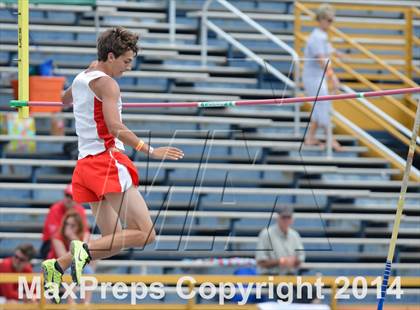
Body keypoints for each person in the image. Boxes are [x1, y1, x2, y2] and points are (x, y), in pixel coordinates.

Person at [41, 26, 184, 304]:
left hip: (86, 166)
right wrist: (150, 149)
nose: (128, 68)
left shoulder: (85, 73)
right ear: (110, 56)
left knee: (112, 241)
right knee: (146, 234)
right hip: (106, 162)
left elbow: (63, 99)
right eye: (126, 61)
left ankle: (56, 266)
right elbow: (115, 127)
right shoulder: (108, 84)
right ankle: (82, 251)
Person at [303, 3, 343, 151]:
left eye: (332, 20)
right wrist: (333, 78)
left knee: (321, 107)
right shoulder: (317, 37)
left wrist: (336, 52)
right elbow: (322, 61)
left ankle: (311, 137)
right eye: (328, 20)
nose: (330, 23)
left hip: (318, 77)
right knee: (323, 106)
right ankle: (329, 140)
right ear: (320, 19)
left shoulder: (322, 36)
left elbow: (327, 51)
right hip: (313, 78)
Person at [255, 205, 309, 303]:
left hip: (289, 276)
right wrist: (281, 261)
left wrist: (293, 261)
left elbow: (300, 258)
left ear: (292, 219)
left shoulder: (294, 235)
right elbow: (260, 262)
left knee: (311, 290)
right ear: (278, 218)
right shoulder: (266, 234)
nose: (286, 220)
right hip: (269, 276)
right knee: (285, 290)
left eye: (288, 217)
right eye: (283, 217)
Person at [48, 211, 93, 304]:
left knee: (88, 271)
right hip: (59, 266)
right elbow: (65, 259)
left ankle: (85, 303)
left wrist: (73, 237)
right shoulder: (57, 236)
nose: (68, 228)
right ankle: (71, 302)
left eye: (72, 225)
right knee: (69, 271)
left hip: (78, 265)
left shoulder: (85, 234)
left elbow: (84, 255)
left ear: (79, 226)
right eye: (66, 224)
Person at [40, 184, 89, 259]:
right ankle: (67, 267)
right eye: (67, 195)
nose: (69, 199)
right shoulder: (55, 209)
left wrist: (74, 238)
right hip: (50, 243)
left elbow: (85, 231)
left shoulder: (80, 209)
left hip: (71, 240)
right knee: (57, 239)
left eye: (72, 197)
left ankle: (86, 268)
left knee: (91, 244)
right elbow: (55, 234)